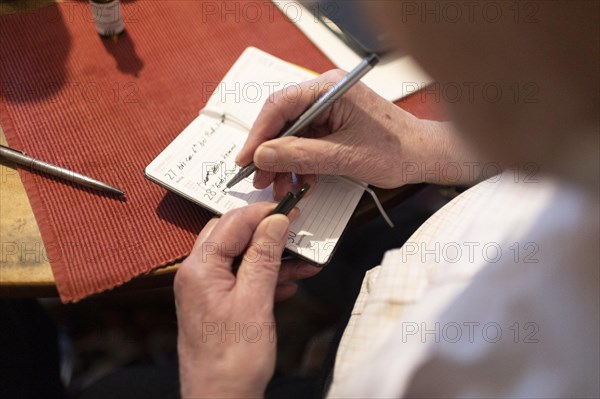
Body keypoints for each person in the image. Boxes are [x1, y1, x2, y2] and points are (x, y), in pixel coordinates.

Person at [174, 1, 599, 398]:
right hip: (401, 273)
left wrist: (220, 383)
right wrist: (426, 147)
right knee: (343, 258)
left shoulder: (552, 361)